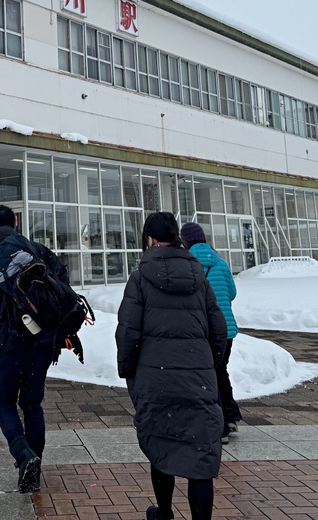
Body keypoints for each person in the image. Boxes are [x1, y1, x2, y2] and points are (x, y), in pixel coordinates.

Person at [116, 212, 227, 520]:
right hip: (198, 377)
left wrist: (129, 371)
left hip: (156, 377)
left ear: (149, 240)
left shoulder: (140, 278)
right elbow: (218, 328)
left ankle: (164, 512)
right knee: (200, 454)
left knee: (162, 442)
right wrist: (207, 363)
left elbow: (127, 332)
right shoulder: (199, 277)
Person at [0, 204, 68, 494]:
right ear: (16, 222)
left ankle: (24, 455)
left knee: (4, 402)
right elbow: (61, 283)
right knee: (32, 405)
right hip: (39, 341)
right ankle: (35, 464)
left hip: (5, 343)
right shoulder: (33, 249)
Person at [181, 222, 242, 442]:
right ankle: (231, 416)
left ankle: (221, 428)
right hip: (227, 329)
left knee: (207, 377)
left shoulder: (188, 264)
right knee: (221, 372)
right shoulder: (221, 262)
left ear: (185, 241)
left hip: (205, 329)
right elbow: (232, 293)